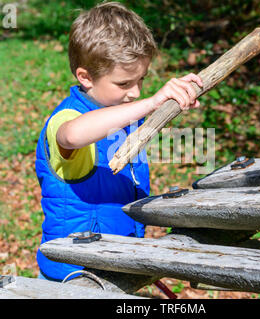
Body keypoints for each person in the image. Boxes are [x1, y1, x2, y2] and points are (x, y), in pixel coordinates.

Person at [35, 1, 203, 282]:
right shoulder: (67, 117)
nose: (135, 92)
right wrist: (152, 102)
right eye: (124, 84)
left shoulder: (120, 115)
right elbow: (73, 135)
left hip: (114, 261)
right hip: (75, 272)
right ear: (85, 78)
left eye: (142, 80)